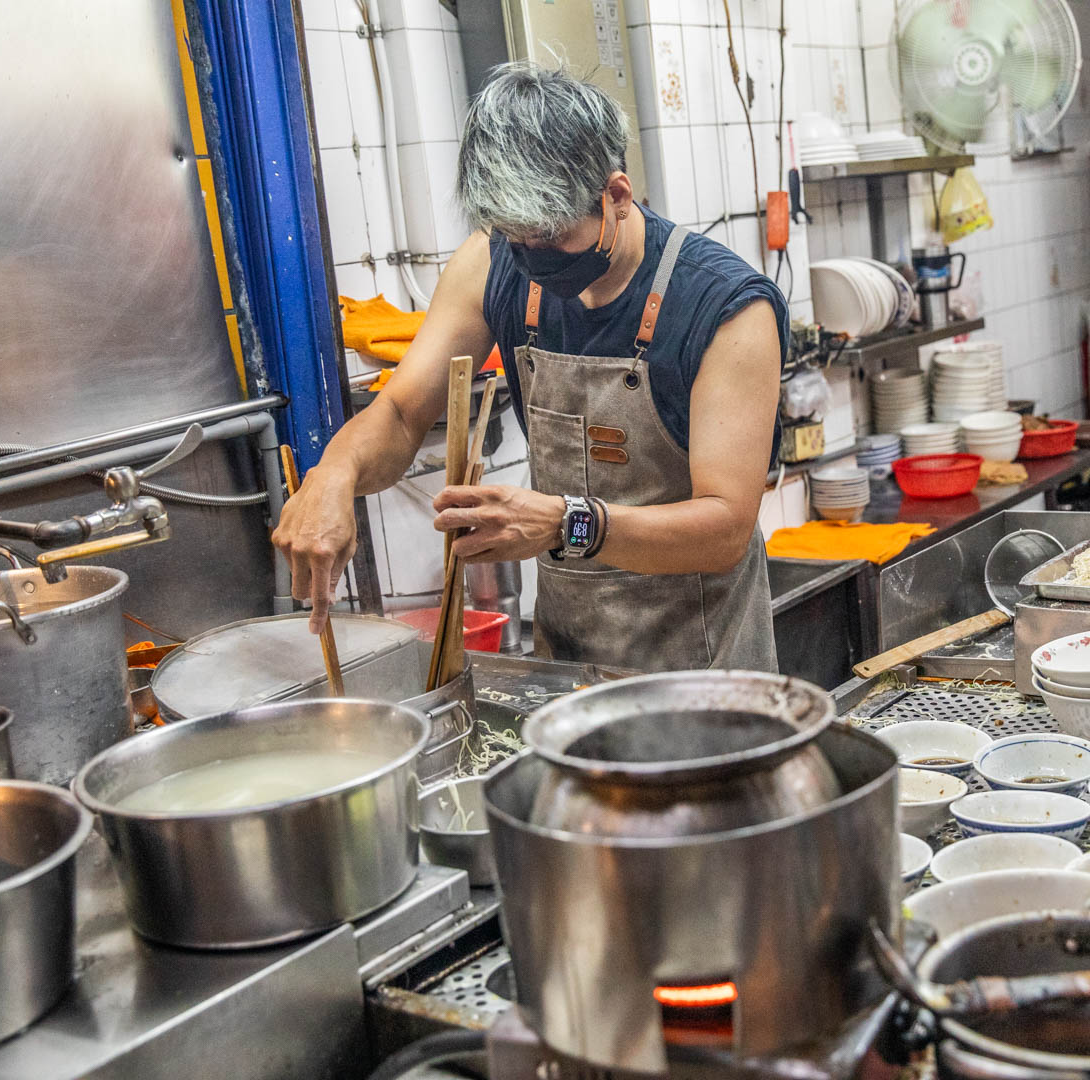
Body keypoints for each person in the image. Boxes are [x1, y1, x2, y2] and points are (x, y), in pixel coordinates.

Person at [273, 63, 788, 671]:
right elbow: (402, 410)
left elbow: (725, 530)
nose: (530, 259)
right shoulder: (493, 264)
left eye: (548, 237)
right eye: (513, 238)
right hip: (568, 662)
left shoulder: (725, 308)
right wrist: (333, 473)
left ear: (615, 197)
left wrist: (566, 522)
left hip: (706, 667)